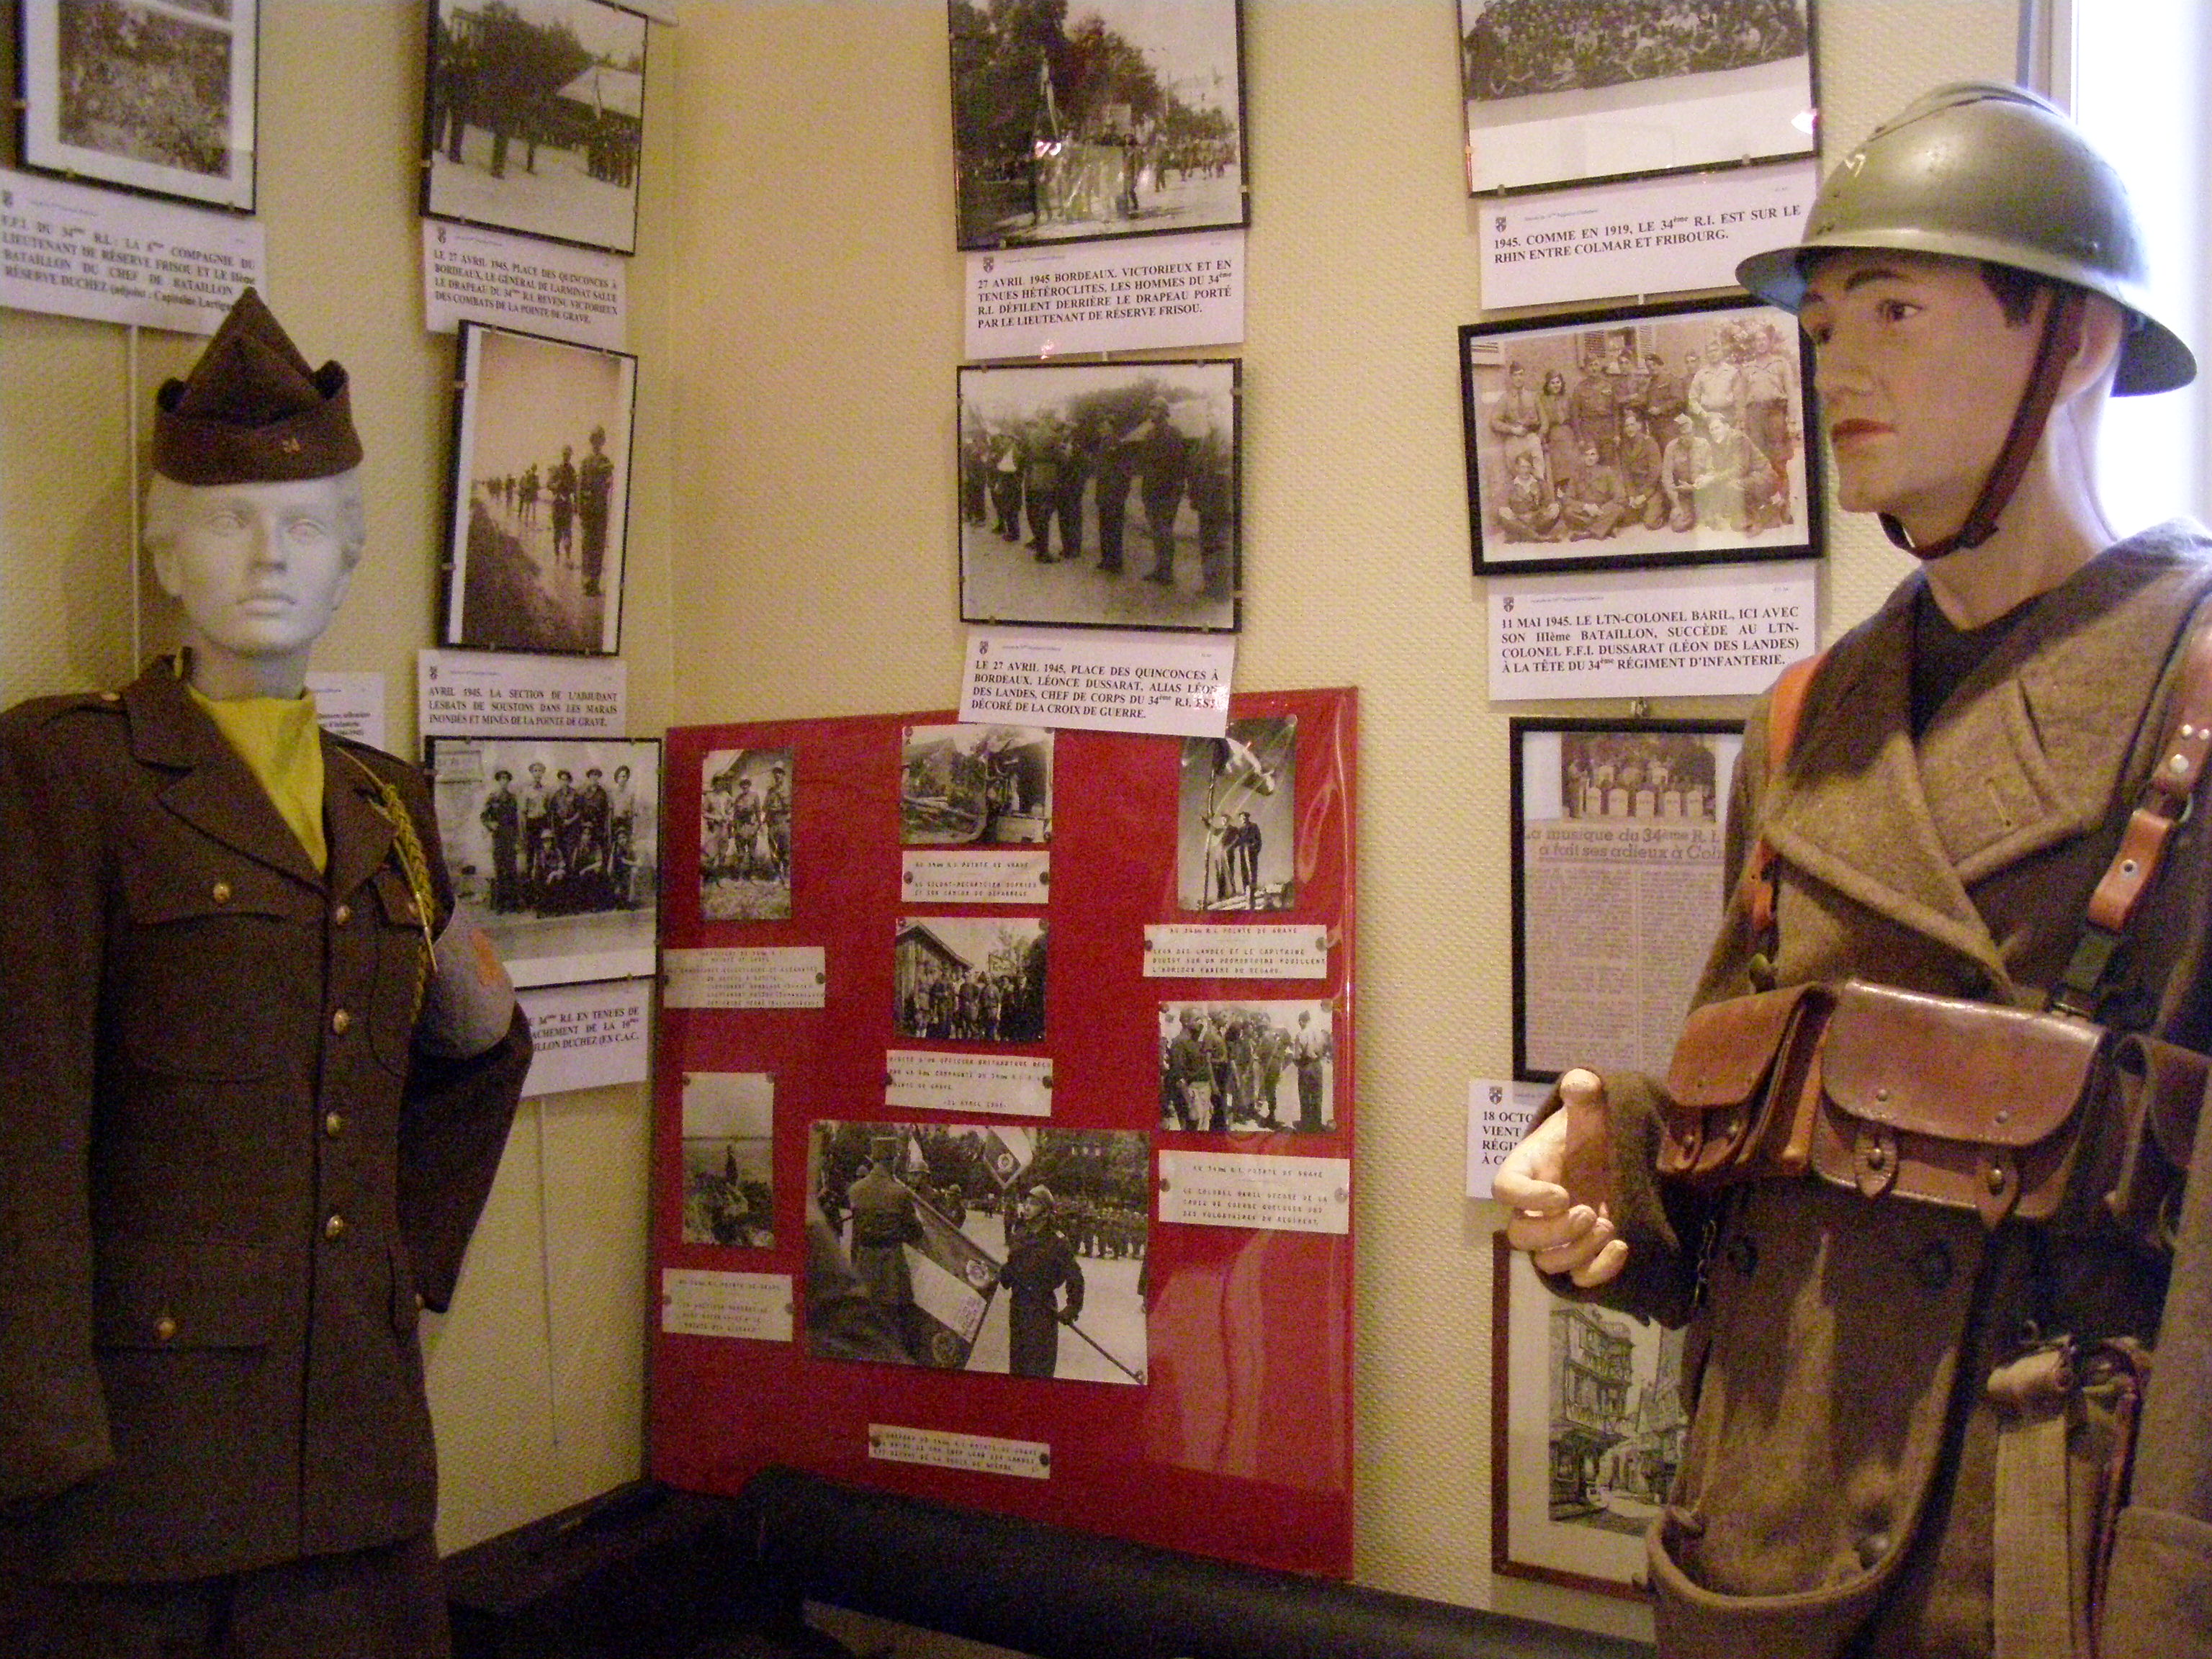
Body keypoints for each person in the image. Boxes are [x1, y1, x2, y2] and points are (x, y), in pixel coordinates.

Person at [1495, 84, 2210, 1659]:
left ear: (2074, 342)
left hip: (2032, 1558)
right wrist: (1613, 1167)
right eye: (1821, 326)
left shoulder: (2192, 692)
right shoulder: (1810, 715)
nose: (1836, 367)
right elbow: (1749, 1131)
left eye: (1893, 309)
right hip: (1764, 1523)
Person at [0, 289, 530, 1658]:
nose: (268, 556)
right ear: (164, 550)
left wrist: (402, 1269)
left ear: (351, 555)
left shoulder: (388, 802)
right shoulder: (70, 773)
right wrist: (37, 1434)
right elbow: (24, 1120)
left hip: (357, 1466)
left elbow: (464, 1059)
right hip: (141, 1481)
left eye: (302, 524)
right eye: (229, 519)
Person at [845, 1141, 925, 1364]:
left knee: (867, 1319)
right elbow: (915, 1232)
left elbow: (855, 1234)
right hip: (892, 1264)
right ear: (893, 1161)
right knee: (897, 1320)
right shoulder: (900, 1193)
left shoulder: (856, 1190)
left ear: (873, 1159)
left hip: (864, 1261)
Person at [999, 1185, 1084, 1379]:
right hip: (1018, 1308)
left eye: (1034, 1204)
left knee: (1039, 1369)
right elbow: (1011, 1268)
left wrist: (1072, 1308)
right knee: (1018, 1365)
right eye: (1026, 1202)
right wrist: (1004, 1273)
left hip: (1042, 1311)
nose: (1027, 1207)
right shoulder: (1020, 1235)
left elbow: (1075, 1276)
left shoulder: (1058, 1242)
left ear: (1045, 1212)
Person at [575, 424, 615, 599]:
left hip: (600, 509)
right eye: (594, 440)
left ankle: (595, 583)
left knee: (598, 546)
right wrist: (579, 508)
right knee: (587, 545)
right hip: (588, 509)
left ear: (603, 442)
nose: (596, 443)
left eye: (599, 440)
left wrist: (607, 482)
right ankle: (586, 582)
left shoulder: (606, 462)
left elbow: (610, 482)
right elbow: (579, 486)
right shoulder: (585, 462)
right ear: (591, 441)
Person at [480, 765, 523, 912]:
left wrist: (517, 840)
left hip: (510, 836)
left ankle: (513, 904)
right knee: (499, 870)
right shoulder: (493, 797)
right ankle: (500, 905)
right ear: (498, 781)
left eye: (506, 779)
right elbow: (484, 816)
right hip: (498, 837)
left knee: (511, 870)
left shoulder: (512, 798)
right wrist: (491, 824)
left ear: (509, 781)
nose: (504, 781)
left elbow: (516, 821)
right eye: (501, 779)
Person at [1291, 1009, 1330, 1132]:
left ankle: (1305, 1124)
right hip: (1317, 1066)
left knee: (1305, 1096)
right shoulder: (1319, 1033)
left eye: (1299, 1021)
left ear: (1302, 1021)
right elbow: (1325, 1048)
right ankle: (1317, 1123)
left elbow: (1297, 1056)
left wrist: (1297, 1063)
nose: (1299, 1023)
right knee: (1317, 1095)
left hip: (1306, 1066)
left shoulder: (1300, 1035)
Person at [547, 443, 577, 566]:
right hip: (557, 503)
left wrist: (576, 503)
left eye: (568, 455)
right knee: (557, 532)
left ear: (570, 456)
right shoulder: (557, 469)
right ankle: (557, 555)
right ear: (562, 455)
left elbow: (576, 487)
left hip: (567, 504)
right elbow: (549, 484)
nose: (566, 457)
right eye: (565, 454)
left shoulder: (572, 470)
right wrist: (556, 485)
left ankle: (568, 557)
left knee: (568, 531)